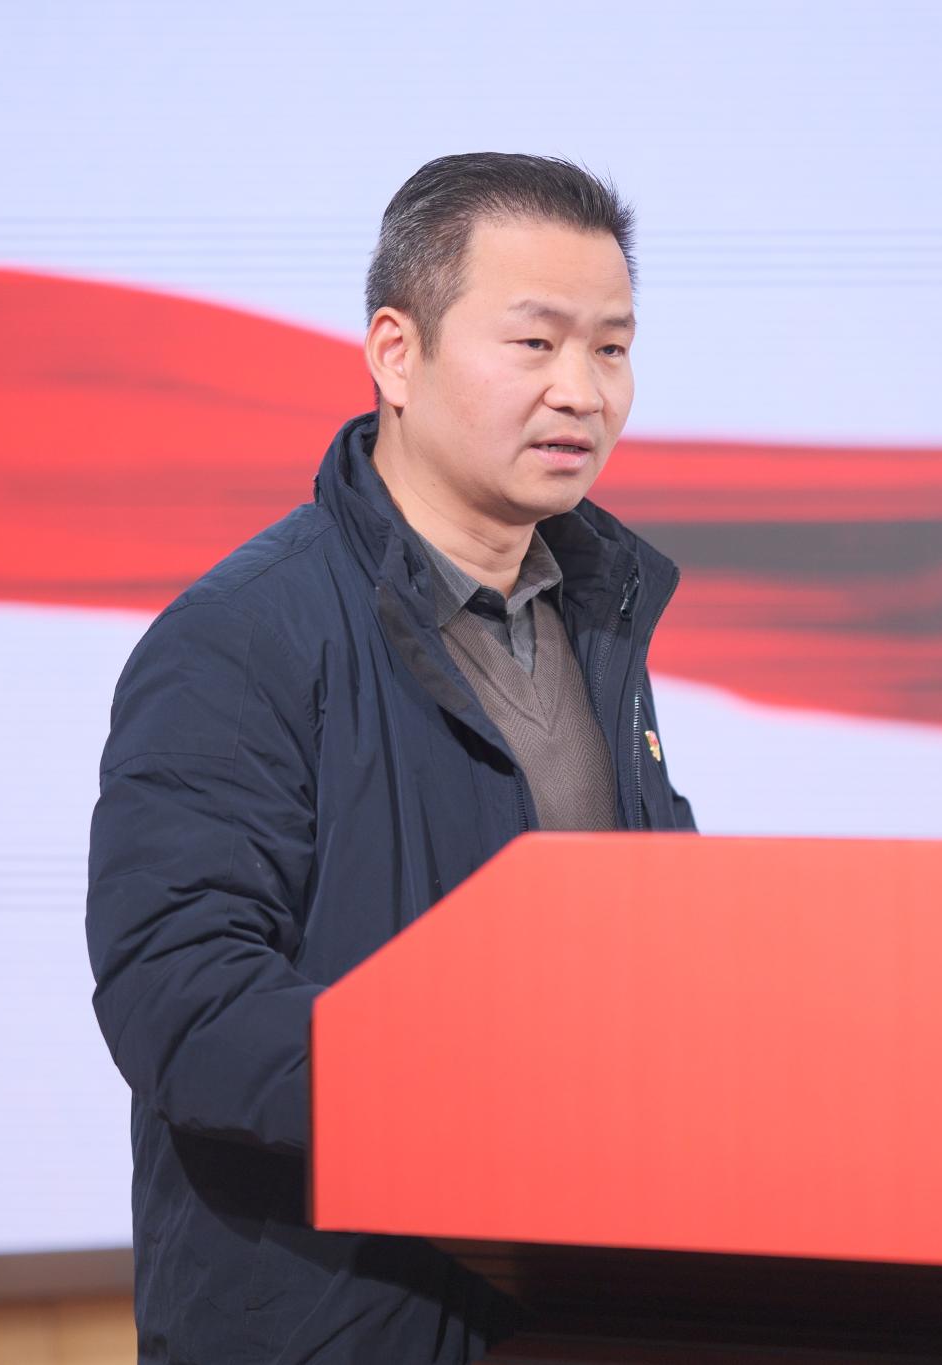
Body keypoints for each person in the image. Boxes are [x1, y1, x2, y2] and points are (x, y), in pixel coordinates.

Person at [85, 152, 697, 1365]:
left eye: (611, 349)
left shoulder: (595, 615)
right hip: (335, 1323)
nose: (580, 391)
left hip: (577, 1305)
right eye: (535, 344)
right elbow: (181, 996)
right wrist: (469, 1099)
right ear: (394, 354)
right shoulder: (243, 635)